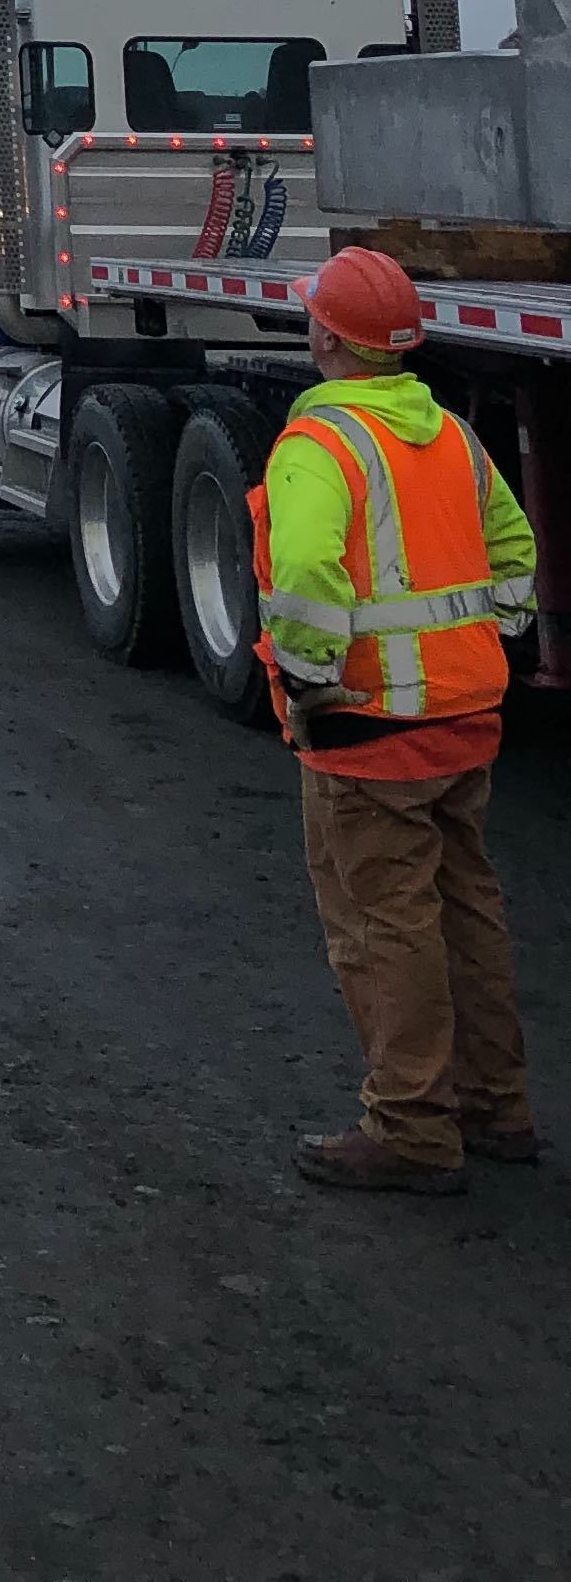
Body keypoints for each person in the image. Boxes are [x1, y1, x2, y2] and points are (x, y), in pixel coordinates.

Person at [258, 243, 538, 1191]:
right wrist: (486, 638)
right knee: (467, 909)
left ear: (327, 337)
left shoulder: (321, 446)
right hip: (466, 715)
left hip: (372, 730)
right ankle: (496, 1107)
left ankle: (414, 1126)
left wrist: (308, 686)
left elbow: (303, 578)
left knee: (386, 927)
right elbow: (513, 545)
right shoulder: (452, 435)